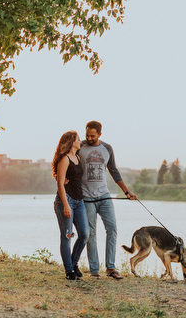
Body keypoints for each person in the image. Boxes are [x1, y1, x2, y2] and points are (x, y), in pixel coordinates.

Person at [79, 120, 137, 280]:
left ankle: (111, 267)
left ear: (99, 134)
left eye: (92, 136)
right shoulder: (79, 147)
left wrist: (127, 192)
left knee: (112, 229)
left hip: (104, 196)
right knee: (91, 234)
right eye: (87, 135)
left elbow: (114, 171)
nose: (89, 138)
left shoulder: (107, 148)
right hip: (87, 198)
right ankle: (94, 270)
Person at [52, 130, 89, 281]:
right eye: (78, 139)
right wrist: (66, 206)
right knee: (67, 237)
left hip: (79, 201)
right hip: (65, 201)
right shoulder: (65, 159)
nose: (80, 141)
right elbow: (60, 184)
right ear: (71, 142)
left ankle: (73, 264)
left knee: (85, 234)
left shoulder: (78, 157)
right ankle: (69, 271)